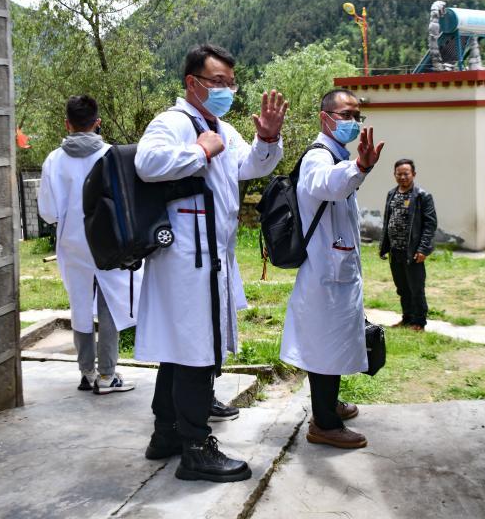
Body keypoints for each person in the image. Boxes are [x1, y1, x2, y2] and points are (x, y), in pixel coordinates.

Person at [133, 43, 286, 482]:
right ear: (192, 83)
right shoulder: (174, 122)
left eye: (230, 83)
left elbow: (249, 166)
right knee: (196, 352)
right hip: (186, 260)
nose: (226, 91)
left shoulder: (221, 126)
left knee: (180, 350)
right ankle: (197, 448)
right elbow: (147, 163)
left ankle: (166, 434)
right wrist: (199, 152)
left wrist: (268, 139)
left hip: (209, 259)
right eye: (218, 82)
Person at [281, 88, 384, 449]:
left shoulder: (335, 154)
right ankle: (324, 423)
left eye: (357, 116)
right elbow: (327, 184)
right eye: (346, 115)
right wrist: (359, 167)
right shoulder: (317, 157)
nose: (353, 122)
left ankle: (329, 404)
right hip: (325, 274)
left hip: (336, 269)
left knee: (335, 342)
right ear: (325, 118)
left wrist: (356, 168)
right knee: (325, 346)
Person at [38, 95, 142, 395]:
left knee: (80, 305)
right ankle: (107, 375)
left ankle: (87, 372)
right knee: (110, 304)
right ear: (98, 123)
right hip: (110, 243)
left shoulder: (54, 160)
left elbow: (48, 212)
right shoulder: (114, 155)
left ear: (67, 124)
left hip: (72, 243)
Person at [378, 159, 437, 330]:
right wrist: (384, 246)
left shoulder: (422, 196)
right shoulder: (391, 194)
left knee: (416, 287)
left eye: (406, 174)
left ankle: (419, 321)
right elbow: (387, 221)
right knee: (402, 287)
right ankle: (407, 318)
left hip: (413, 251)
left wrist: (423, 249)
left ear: (413, 174)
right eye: (399, 174)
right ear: (394, 175)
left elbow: (430, 224)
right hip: (395, 250)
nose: (402, 177)